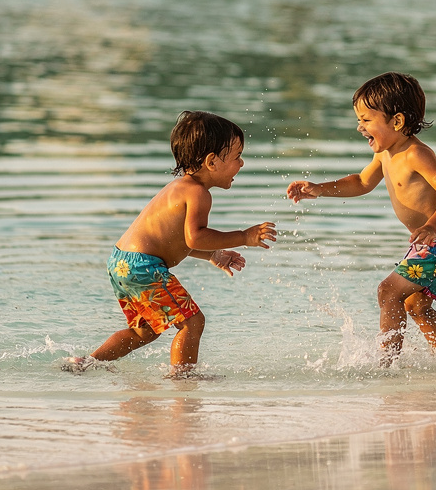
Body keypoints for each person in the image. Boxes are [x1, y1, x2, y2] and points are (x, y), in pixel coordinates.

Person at [65, 111, 277, 377]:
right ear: (212, 162)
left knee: (145, 331)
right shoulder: (198, 193)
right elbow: (194, 237)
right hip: (144, 265)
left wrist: (212, 255)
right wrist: (244, 237)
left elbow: (175, 240)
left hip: (121, 262)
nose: (242, 164)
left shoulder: (178, 187)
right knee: (192, 322)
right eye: (236, 157)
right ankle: (182, 377)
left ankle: (86, 363)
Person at [286, 72, 436, 366]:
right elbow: (361, 182)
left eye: (366, 120)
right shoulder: (385, 154)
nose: (360, 127)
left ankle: (386, 365)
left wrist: (432, 225)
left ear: (397, 122)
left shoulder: (416, 154)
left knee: (388, 291)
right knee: (415, 304)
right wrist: (319, 189)